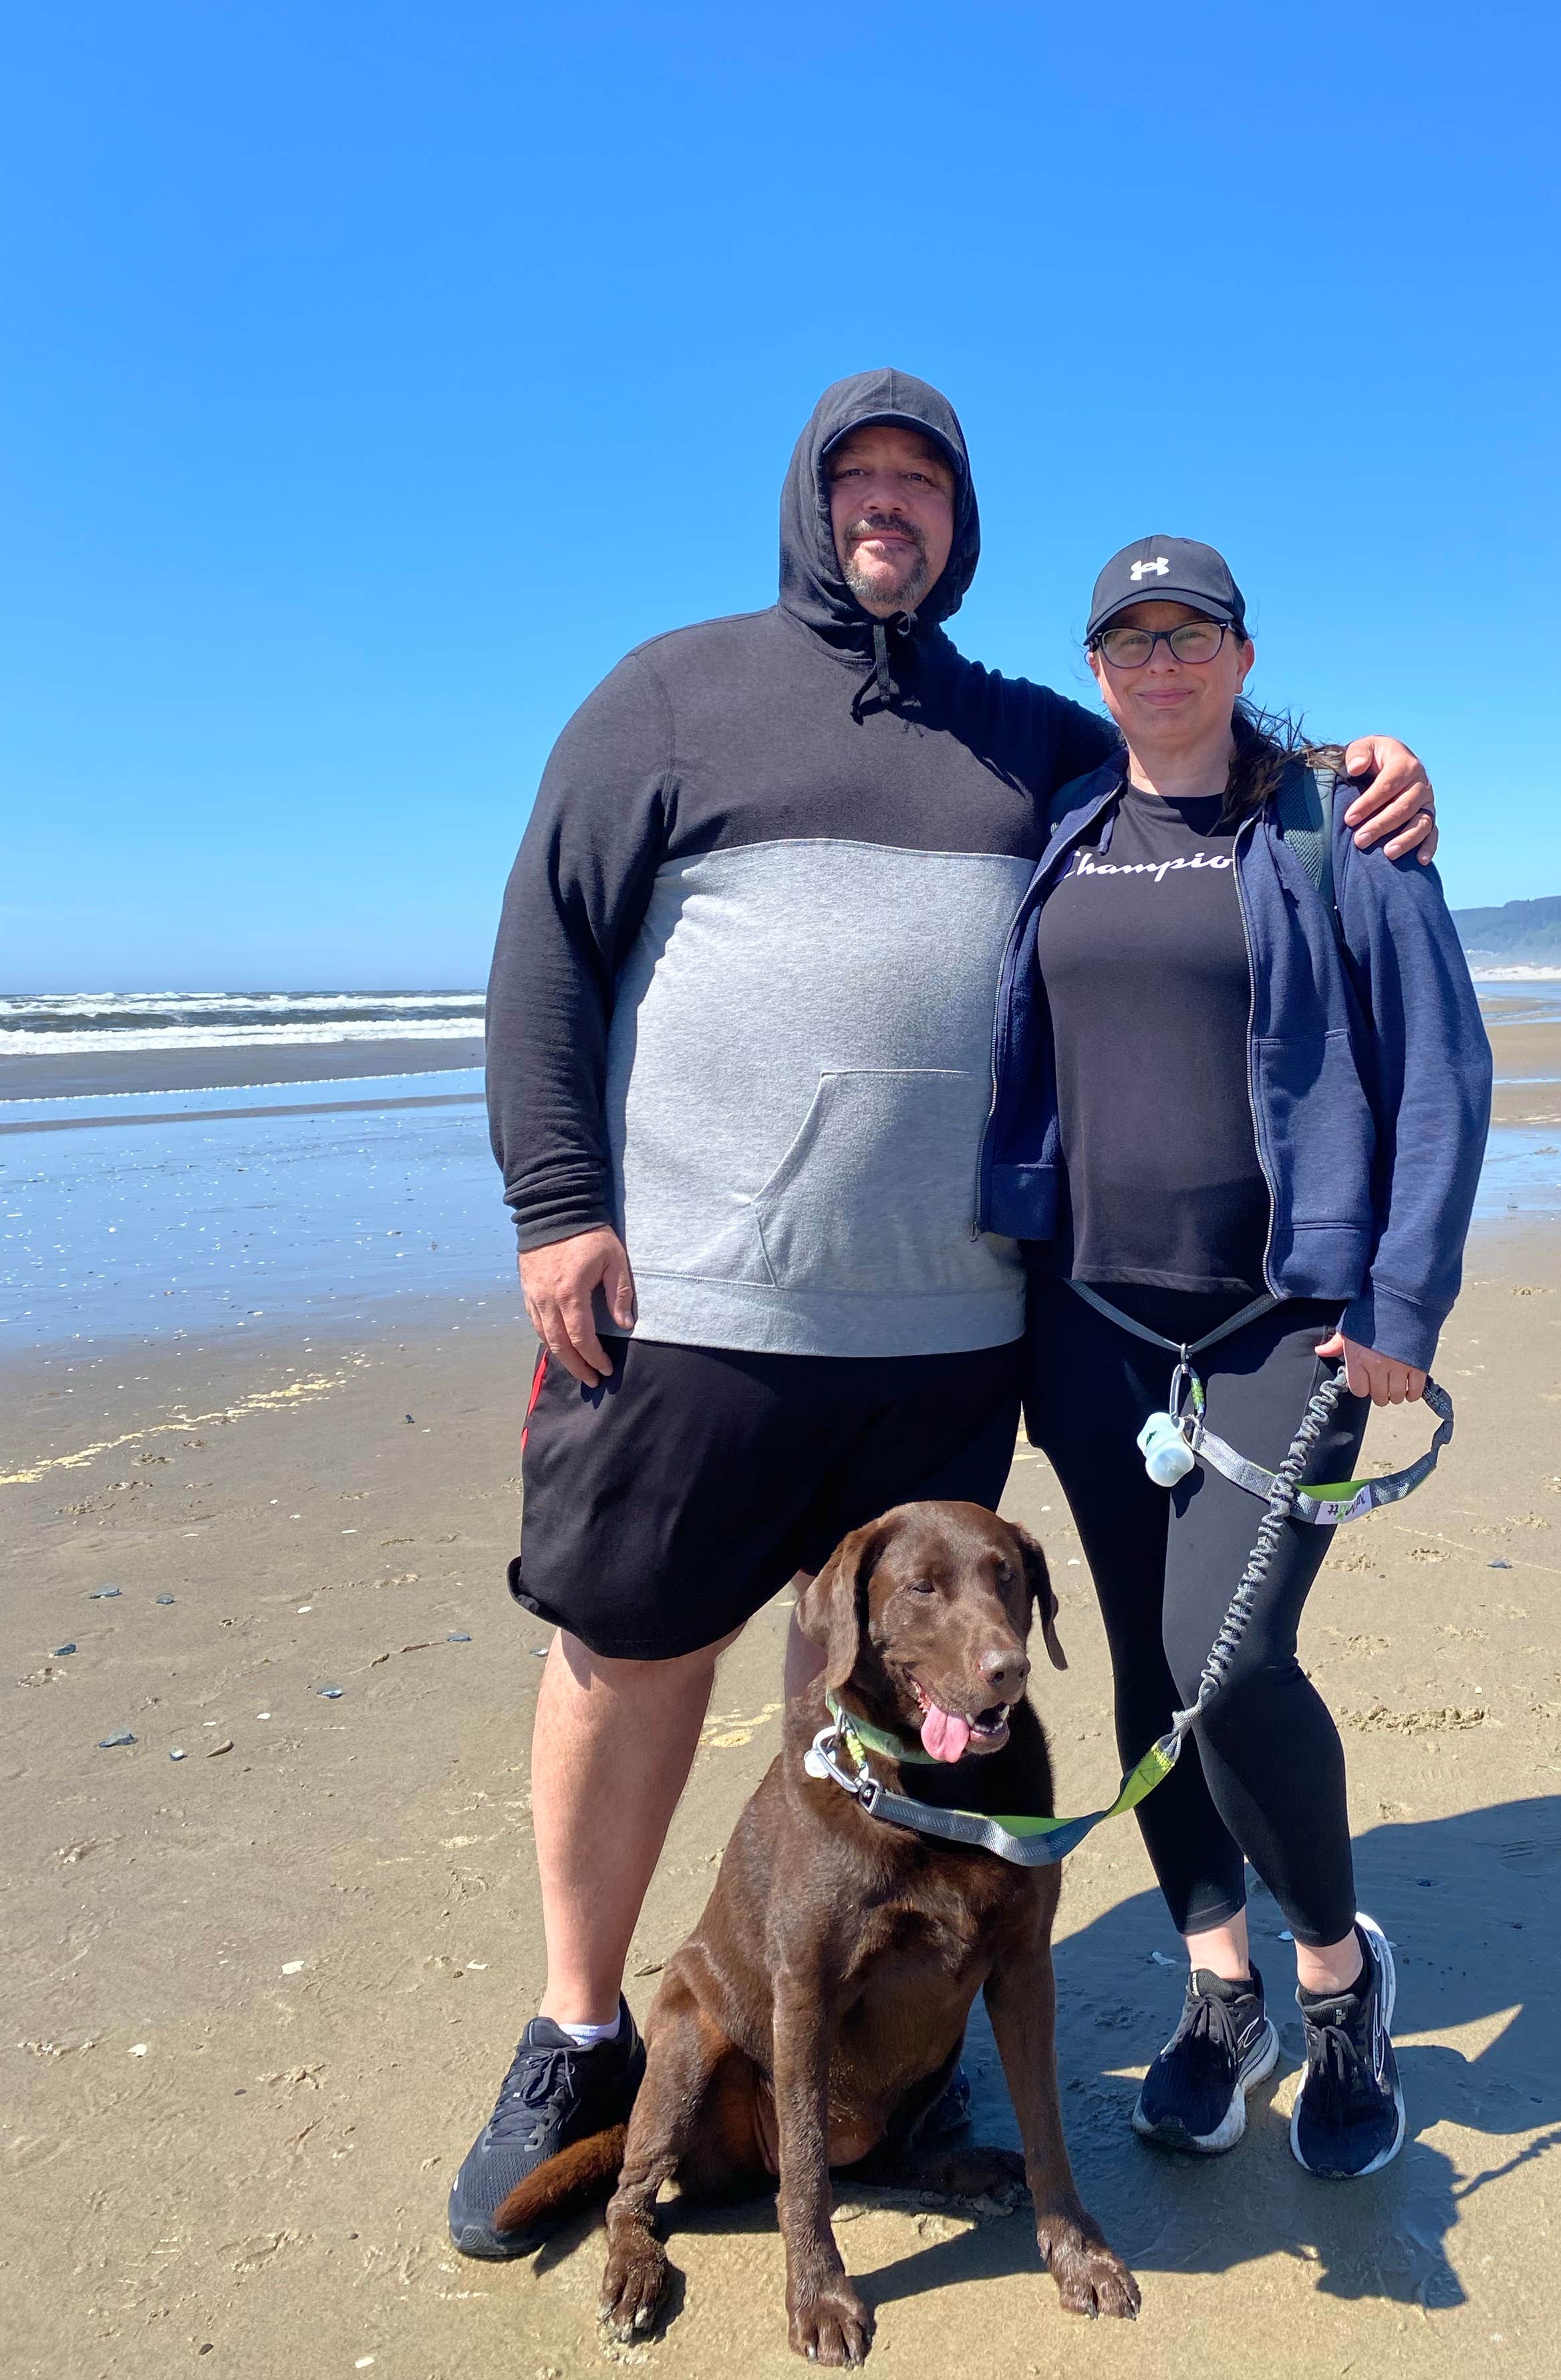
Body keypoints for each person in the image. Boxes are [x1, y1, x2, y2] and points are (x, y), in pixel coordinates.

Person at [448, 376, 1441, 2253]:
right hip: (697, 1308)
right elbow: (544, 948)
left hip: (949, 1329)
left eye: (923, 482)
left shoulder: (1024, 737)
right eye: (859, 478)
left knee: (905, 1690)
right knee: (630, 1645)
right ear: (808, 504)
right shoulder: (667, 695)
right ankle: (578, 2036)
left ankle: (891, 2042)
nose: (888, 506)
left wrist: (1354, 768)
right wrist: (557, 1207)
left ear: (962, 524)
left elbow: (1191, 758)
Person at [982, 535, 1492, 2178]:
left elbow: (1445, 1064)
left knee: (1226, 1654)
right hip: (1094, 1323)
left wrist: (1404, 1303)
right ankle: (1220, 1986)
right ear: (1098, 669)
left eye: (1189, 631)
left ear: (1243, 653)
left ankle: (1338, 1978)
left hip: (1285, 1322)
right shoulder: (1064, 829)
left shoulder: (1339, 825)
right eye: (1130, 639)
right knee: (1145, 1663)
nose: (1162, 660)